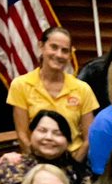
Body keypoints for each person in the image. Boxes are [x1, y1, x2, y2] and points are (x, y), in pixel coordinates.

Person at [6, 26, 98, 163]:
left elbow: (88, 139)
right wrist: (38, 168)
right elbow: (22, 135)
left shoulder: (82, 89)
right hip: (36, 162)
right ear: (41, 46)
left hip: (72, 162)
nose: (59, 55)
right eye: (54, 47)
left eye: (65, 51)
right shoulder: (20, 85)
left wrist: (73, 167)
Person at [0, 110, 90, 184]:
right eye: (42, 131)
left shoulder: (73, 168)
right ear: (31, 134)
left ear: (68, 142)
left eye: (57, 133)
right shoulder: (12, 167)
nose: (49, 137)